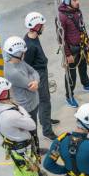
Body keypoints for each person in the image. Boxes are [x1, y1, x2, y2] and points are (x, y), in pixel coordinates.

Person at [2, 36, 46, 154]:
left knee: (34, 130)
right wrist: (34, 81)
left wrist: (35, 81)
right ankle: (34, 152)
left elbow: (34, 72)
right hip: (27, 106)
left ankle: (35, 150)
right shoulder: (13, 72)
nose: (24, 54)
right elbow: (30, 85)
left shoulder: (19, 61)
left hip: (32, 103)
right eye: (22, 52)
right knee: (31, 131)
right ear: (17, 53)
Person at [59, 0, 89, 108]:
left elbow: (82, 27)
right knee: (71, 75)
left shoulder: (77, 11)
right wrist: (67, 54)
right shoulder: (61, 17)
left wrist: (87, 41)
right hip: (71, 50)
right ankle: (69, 96)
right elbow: (61, 38)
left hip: (82, 46)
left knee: (83, 68)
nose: (78, 2)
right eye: (74, 0)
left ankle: (86, 84)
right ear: (67, 1)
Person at [23, 12, 60, 140]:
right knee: (45, 102)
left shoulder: (32, 38)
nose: (43, 27)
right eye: (42, 25)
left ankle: (46, 120)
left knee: (46, 99)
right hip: (38, 75)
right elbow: (26, 67)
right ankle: (47, 130)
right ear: (37, 26)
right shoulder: (29, 46)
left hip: (41, 72)